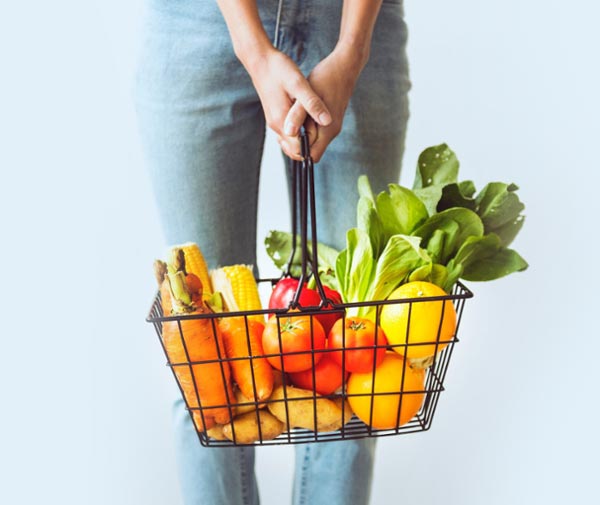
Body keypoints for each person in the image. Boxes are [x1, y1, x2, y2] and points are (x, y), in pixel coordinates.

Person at [135, 0, 410, 503]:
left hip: (352, 20)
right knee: (205, 364)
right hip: (200, 21)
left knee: (358, 356)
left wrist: (352, 49)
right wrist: (252, 46)